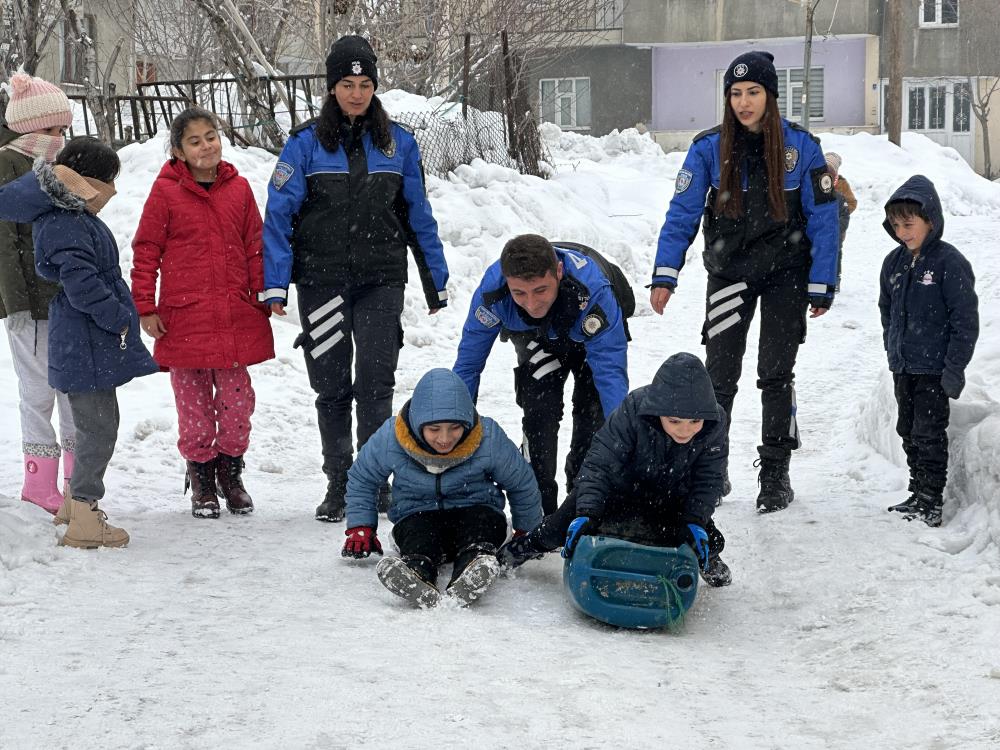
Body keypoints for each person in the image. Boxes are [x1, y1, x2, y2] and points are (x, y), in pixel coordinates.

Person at [261, 35, 449, 523]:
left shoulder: (399, 142)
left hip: (381, 280)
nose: (357, 93)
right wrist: (276, 283)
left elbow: (417, 215)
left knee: (375, 383)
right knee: (330, 385)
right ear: (331, 87)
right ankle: (339, 481)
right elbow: (278, 217)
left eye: (365, 84)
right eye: (347, 83)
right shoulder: (303, 144)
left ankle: (373, 480)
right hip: (321, 281)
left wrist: (435, 280)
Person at [649, 50, 839, 513]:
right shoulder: (708, 148)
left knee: (775, 375)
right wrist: (664, 274)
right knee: (719, 380)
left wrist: (822, 282)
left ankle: (775, 472)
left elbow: (824, 219)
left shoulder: (801, 147)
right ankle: (713, 468)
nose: (743, 102)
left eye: (753, 92)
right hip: (729, 274)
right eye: (735, 93)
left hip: (785, 279)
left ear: (770, 96)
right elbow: (681, 215)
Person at [0, 137, 158, 547]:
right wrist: (118, 318)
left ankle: (72, 504)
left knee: (92, 425)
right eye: (108, 181)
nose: (112, 191)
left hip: (82, 341)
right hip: (87, 341)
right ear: (83, 180)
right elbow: (82, 284)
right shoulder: (67, 221)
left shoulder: (68, 214)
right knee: (99, 429)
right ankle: (87, 516)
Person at [131, 107, 274, 518]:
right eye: (194, 141)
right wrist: (146, 306)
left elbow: (255, 246)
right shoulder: (166, 193)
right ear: (178, 150)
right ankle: (202, 480)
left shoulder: (239, 189)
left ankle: (231, 471)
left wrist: (263, 293)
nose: (206, 146)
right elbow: (146, 252)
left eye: (211, 136)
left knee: (236, 402)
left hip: (233, 317)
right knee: (193, 408)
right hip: (184, 319)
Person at [498, 352, 731, 587]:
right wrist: (587, 511)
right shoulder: (634, 410)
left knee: (700, 536)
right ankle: (523, 548)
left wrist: (695, 520)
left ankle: (707, 558)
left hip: (671, 497)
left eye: (694, 422)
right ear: (659, 410)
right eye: (674, 421)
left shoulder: (715, 422)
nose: (685, 430)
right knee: (561, 524)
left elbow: (709, 479)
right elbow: (600, 463)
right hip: (620, 490)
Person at [453, 234, 629, 515]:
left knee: (592, 414)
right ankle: (540, 506)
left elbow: (610, 373)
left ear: (558, 272)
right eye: (519, 293)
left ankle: (584, 498)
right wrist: (454, 419)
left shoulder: (594, 290)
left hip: (588, 335)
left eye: (540, 290)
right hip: (537, 340)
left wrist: (624, 436)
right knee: (539, 412)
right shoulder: (492, 294)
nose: (532, 304)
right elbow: (469, 364)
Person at [341, 368, 543, 606]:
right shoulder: (392, 437)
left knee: (480, 528)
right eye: (434, 429)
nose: (445, 439)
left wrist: (526, 529)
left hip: (476, 508)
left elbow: (521, 483)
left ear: (467, 421)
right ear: (417, 424)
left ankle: (474, 567)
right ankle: (416, 571)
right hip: (418, 512)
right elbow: (363, 478)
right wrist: (361, 525)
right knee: (419, 536)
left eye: (455, 428)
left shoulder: (487, 436)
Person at [880, 176, 978, 527]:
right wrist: (893, 350)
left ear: (930, 221)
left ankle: (932, 500)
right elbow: (887, 310)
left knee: (928, 433)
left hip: (934, 370)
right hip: (904, 367)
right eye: (896, 225)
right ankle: (917, 489)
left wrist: (953, 369)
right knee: (907, 430)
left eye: (909, 224)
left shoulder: (949, 263)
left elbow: (965, 321)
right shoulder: (894, 263)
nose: (902, 232)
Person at [0, 73, 76, 515]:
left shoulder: (54, 167)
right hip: (29, 302)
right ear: (29, 129)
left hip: (63, 298)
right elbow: (6, 244)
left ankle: (73, 478)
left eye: (63, 130)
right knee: (37, 391)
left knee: (69, 388)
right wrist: (19, 305)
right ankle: (38, 481)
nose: (59, 138)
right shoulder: (9, 166)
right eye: (52, 130)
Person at [824, 152, 857, 291]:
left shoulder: (842, 184)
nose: (827, 171)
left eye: (830, 169)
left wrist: (841, 212)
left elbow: (852, 202)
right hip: (820, 226)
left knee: (836, 253)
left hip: (837, 228)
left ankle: (836, 278)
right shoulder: (816, 179)